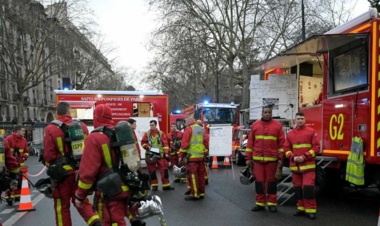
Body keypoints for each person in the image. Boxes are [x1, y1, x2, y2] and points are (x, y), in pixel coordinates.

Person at [44, 101, 101, 226]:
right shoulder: (82, 126)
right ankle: (96, 222)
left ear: (57, 113)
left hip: (62, 176)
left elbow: (49, 156)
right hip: (79, 172)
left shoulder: (51, 129)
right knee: (82, 201)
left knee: (62, 206)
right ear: (69, 111)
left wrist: (51, 170)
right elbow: (88, 150)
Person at [245, 106, 285, 212]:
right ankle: (260, 204)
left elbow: (282, 144)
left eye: (269, 112)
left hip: (272, 160)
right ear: (262, 113)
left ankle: (272, 204)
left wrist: (281, 158)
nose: (267, 114)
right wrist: (248, 158)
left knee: (271, 182)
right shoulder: (255, 125)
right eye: (265, 112)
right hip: (257, 160)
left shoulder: (277, 126)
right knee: (259, 182)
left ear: (271, 113)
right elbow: (250, 143)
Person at [284, 112, 319, 220]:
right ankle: (301, 209)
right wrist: (293, 157)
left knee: (308, 188)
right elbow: (286, 149)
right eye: (298, 118)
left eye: (302, 118)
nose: (300, 120)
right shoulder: (290, 134)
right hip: (295, 166)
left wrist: (304, 157)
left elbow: (316, 147)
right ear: (295, 120)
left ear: (305, 120)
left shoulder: (311, 132)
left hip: (308, 166)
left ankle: (311, 210)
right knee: (298, 189)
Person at [179, 116, 209, 201]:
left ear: (187, 122)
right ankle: (202, 193)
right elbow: (205, 142)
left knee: (193, 176)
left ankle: (195, 194)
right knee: (201, 175)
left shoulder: (189, 129)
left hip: (192, 157)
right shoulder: (202, 129)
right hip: (200, 156)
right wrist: (205, 152)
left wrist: (181, 155)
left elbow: (185, 144)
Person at [141, 120, 174, 191]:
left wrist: (166, 153)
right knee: (152, 171)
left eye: (152, 125)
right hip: (151, 156)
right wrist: (146, 146)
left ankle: (166, 185)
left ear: (156, 125)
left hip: (160, 155)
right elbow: (143, 142)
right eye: (150, 125)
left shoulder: (161, 133)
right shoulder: (147, 133)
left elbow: (165, 144)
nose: (151, 126)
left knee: (164, 170)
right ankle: (154, 185)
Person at [4, 125, 29, 201]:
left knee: (20, 181)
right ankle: (9, 196)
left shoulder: (24, 140)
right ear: (17, 131)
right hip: (10, 165)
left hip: (20, 165)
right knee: (10, 181)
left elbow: (26, 151)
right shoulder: (9, 139)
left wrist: (25, 156)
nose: (24, 132)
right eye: (22, 131)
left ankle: (18, 195)